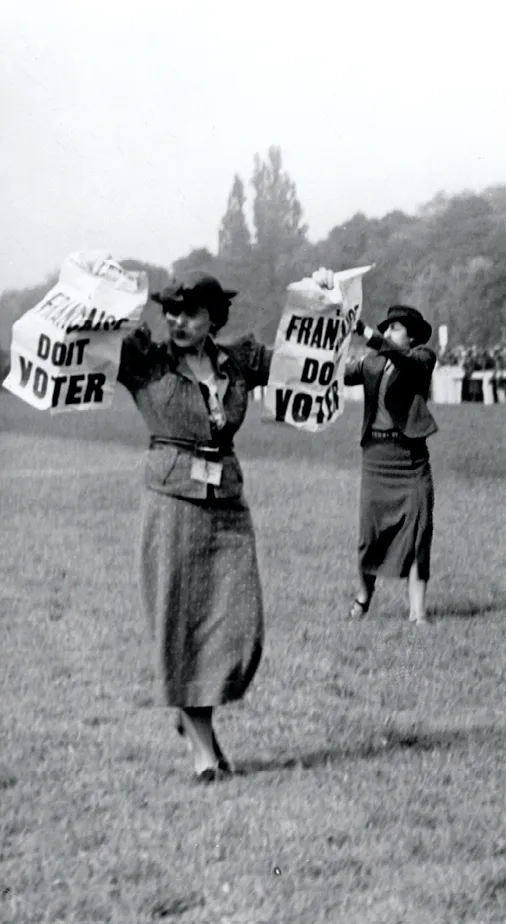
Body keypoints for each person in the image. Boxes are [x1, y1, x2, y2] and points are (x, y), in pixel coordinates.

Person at [115, 270, 291, 782]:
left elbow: (316, 368)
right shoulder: (145, 360)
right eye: (170, 311)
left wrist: (326, 309)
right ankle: (203, 753)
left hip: (227, 506)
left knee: (236, 628)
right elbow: (85, 345)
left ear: (214, 317)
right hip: (172, 502)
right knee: (182, 627)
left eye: (190, 312)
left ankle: (193, 724)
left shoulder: (240, 360)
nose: (177, 321)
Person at [345, 305, 439, 625]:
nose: (387, 333)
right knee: (370, 536)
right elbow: (339, 375)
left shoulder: (422, 358)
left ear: (411, 335)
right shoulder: (372, 364)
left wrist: (364, 331)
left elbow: (403, 359)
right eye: (385, 328)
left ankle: (418, 613)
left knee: (418, 533)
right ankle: (363, 597)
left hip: (410, 460)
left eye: (394, 327)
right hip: (376, 459)